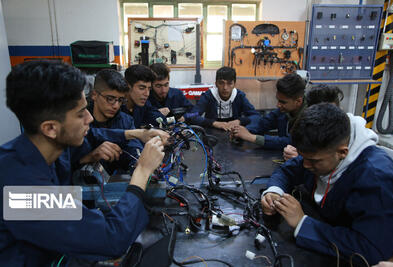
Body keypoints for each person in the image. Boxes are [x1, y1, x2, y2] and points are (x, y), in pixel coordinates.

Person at [0, 61, 166, 266]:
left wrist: (137, 133)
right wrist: (143, 170)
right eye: (80, 114)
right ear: (50, 127)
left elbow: (95, 134)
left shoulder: (47, 147)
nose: (89, 118)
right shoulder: (21, 191)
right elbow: (111, 238)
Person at [261, 103, 393, 265]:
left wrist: (302, 223)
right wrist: (274, 191)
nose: (305, 165)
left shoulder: (376, 180)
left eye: (313, 161)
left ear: (343, 152)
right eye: (302, 157)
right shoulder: (323, 147)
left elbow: (370, 249)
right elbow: (287, 171)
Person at [231, 73, 306, 150]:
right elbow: (262, 124)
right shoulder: (282, 112)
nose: (278, 105)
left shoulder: (311, 120)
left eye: (283, 102)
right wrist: (242, 131)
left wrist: (251, 137)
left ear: (298, 101)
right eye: (278, 100)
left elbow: (290, 142)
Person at [283, 84, 344, 160]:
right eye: (322, 114)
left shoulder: (351, 132)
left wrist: (302, 159)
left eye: (331, 111)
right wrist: (292, 151)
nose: (328, 119)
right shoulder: (307, 125)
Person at [188, 66, 259, 131]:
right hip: (212, 132)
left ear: (234, 84)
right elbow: (192, 115)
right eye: (221, 83)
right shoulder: (208, 95)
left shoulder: (239, 96)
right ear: (216, 84)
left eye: (229, 83)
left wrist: (239, 121)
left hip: (235, 132)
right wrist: (214, 123)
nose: (225, 88)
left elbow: (256, 116)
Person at [122, 64, 166, 128]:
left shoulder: (144, 105)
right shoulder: (116, 107)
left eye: (149, 89)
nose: (147, 94)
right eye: (142, 88)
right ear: (128, 86)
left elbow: (160, 119)